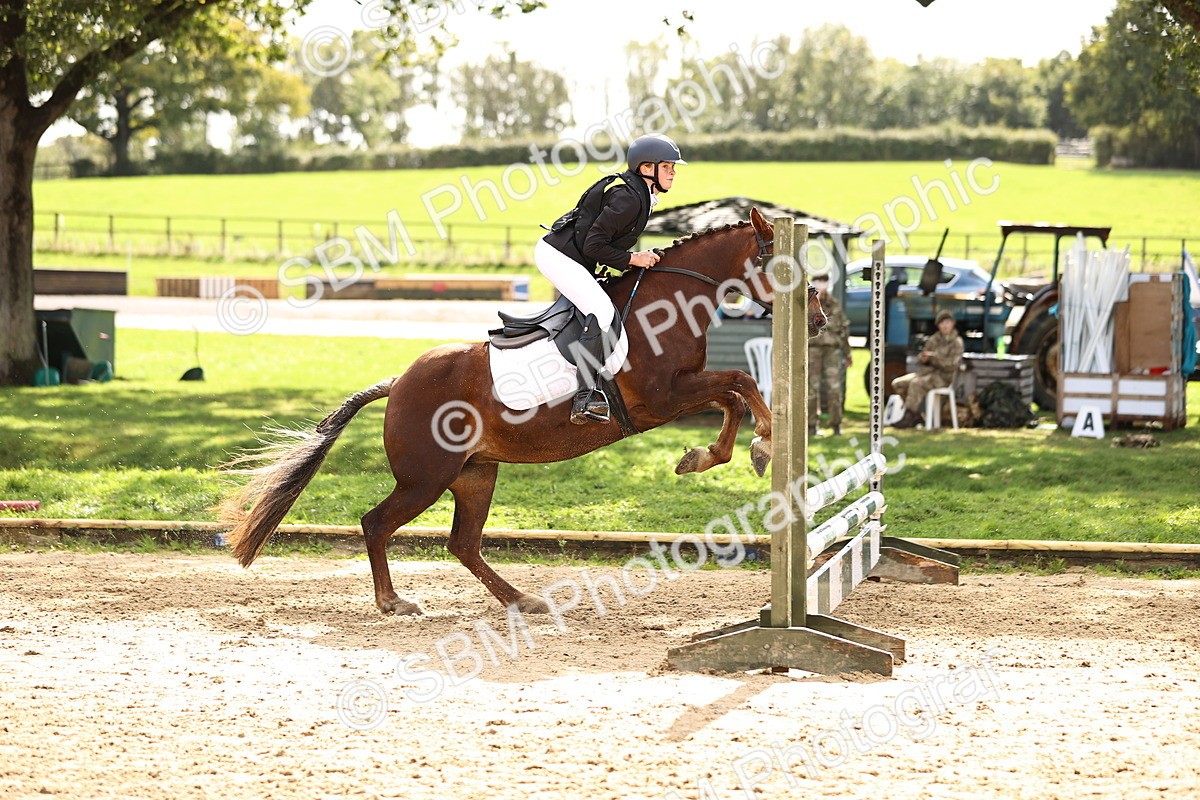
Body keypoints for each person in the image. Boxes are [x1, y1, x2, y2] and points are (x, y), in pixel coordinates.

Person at [540, 133, 685, 424]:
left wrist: (634, 256)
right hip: (557, 257)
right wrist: (633, 259)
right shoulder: (628, 199)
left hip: (574, 258)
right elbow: (595, 245)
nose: (673, 172)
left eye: (673, 167)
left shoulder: (639, 195)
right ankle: (584, 397)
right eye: (667, 166)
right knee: (602, 311)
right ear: (647, 169)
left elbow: (606, 243)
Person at [891, 309, 964, 429]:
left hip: (943, 377)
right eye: (942, 323)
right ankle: (916, 415)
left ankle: (908, 416)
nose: (944, 326)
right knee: (898, 384)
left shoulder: (957, 342)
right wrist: (923, 358)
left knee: (916, 384)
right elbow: (922, 358)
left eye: (947, 322)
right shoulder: (933, 339)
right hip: (926, 373)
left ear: (952, 323)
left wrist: (934, 358)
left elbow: (952, 365)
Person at [807, 276, 851, 436]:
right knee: (812, 388)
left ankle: (836, 424)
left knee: (834, 388)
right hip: (812, 350)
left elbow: (843, 328)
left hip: (832, 350)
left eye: (824, 283)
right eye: (818, 283)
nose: (821, 286)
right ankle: (811, 424)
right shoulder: (808, 303)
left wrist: (847, 353)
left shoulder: (833, 304)